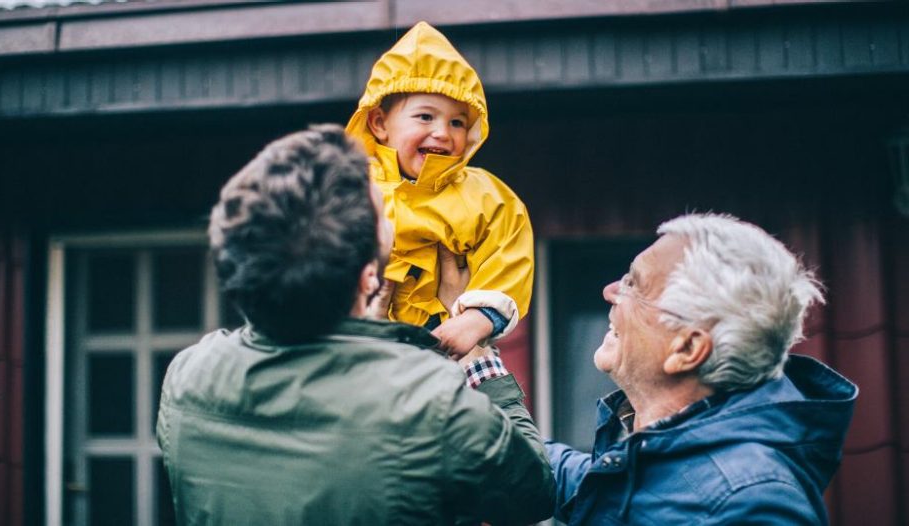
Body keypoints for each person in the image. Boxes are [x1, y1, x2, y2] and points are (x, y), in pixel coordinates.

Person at [156, 124, 556, 525]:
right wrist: (476, 351)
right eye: (385, 219)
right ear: (368, 277)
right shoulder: (428, 401)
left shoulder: (188, 377)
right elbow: (533, 495)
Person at [547, 213, 858, 525]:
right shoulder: (659, 465)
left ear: (686, 349)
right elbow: (555, 474)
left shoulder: (750, 505)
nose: (610, 290)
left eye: (634, 284)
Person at [346, 21, 534, 357]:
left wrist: (475, 321)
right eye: (425, 117)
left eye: (457, 122)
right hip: (361, 338)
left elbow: (508, 255)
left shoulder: (483, 195)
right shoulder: (353, 189)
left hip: (445, 336)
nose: (442, 133)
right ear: (379, 124)